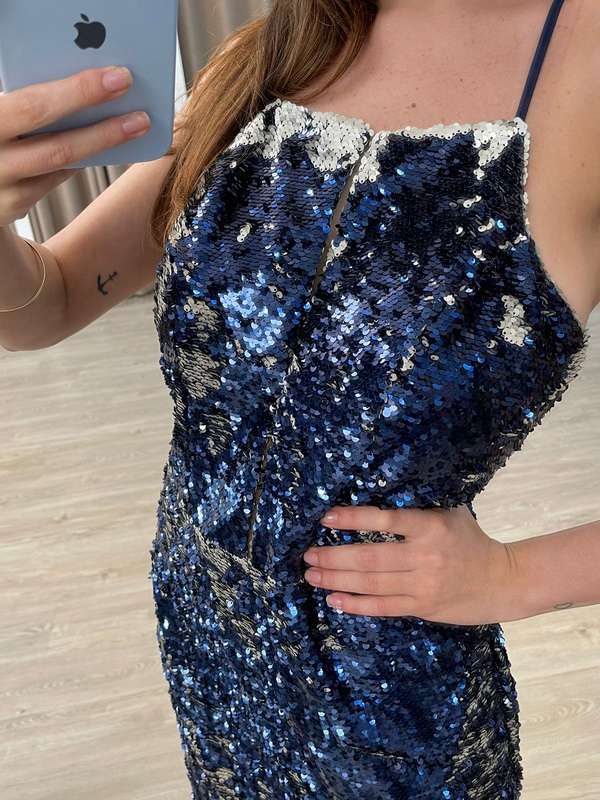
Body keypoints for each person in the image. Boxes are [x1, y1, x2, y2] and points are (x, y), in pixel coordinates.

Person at [1, 0, 598, 797]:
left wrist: (517, 574)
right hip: (208, 648)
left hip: (391, 713)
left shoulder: (584, 67)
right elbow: (54, 298)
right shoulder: (274, 51)